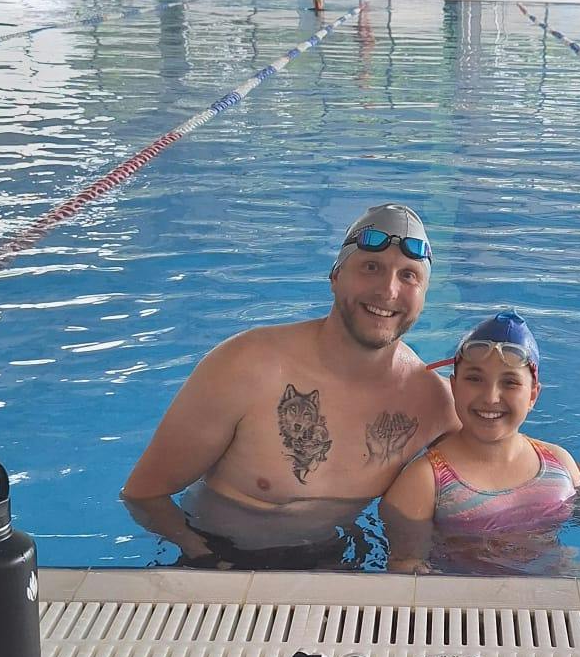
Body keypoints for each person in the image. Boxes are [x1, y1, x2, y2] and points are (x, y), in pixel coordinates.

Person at [121, 203, 455, 569]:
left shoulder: (434, 403)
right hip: (216, 555)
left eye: (408, 276)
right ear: (335, 277)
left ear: (423, 296)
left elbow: (497, 475)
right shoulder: (248, 366)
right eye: (371, 268)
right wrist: (205, 559)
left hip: (337, 558)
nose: (388, 291)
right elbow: (144, 494)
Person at [382, 312, 580, 575]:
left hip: (554, 588)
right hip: (467, 612)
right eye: (475, 379)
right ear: (453, 387)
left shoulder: (558, 464)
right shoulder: (425, 481)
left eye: (510, 383)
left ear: (533, 395)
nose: (490, 397)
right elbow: (407, 569)